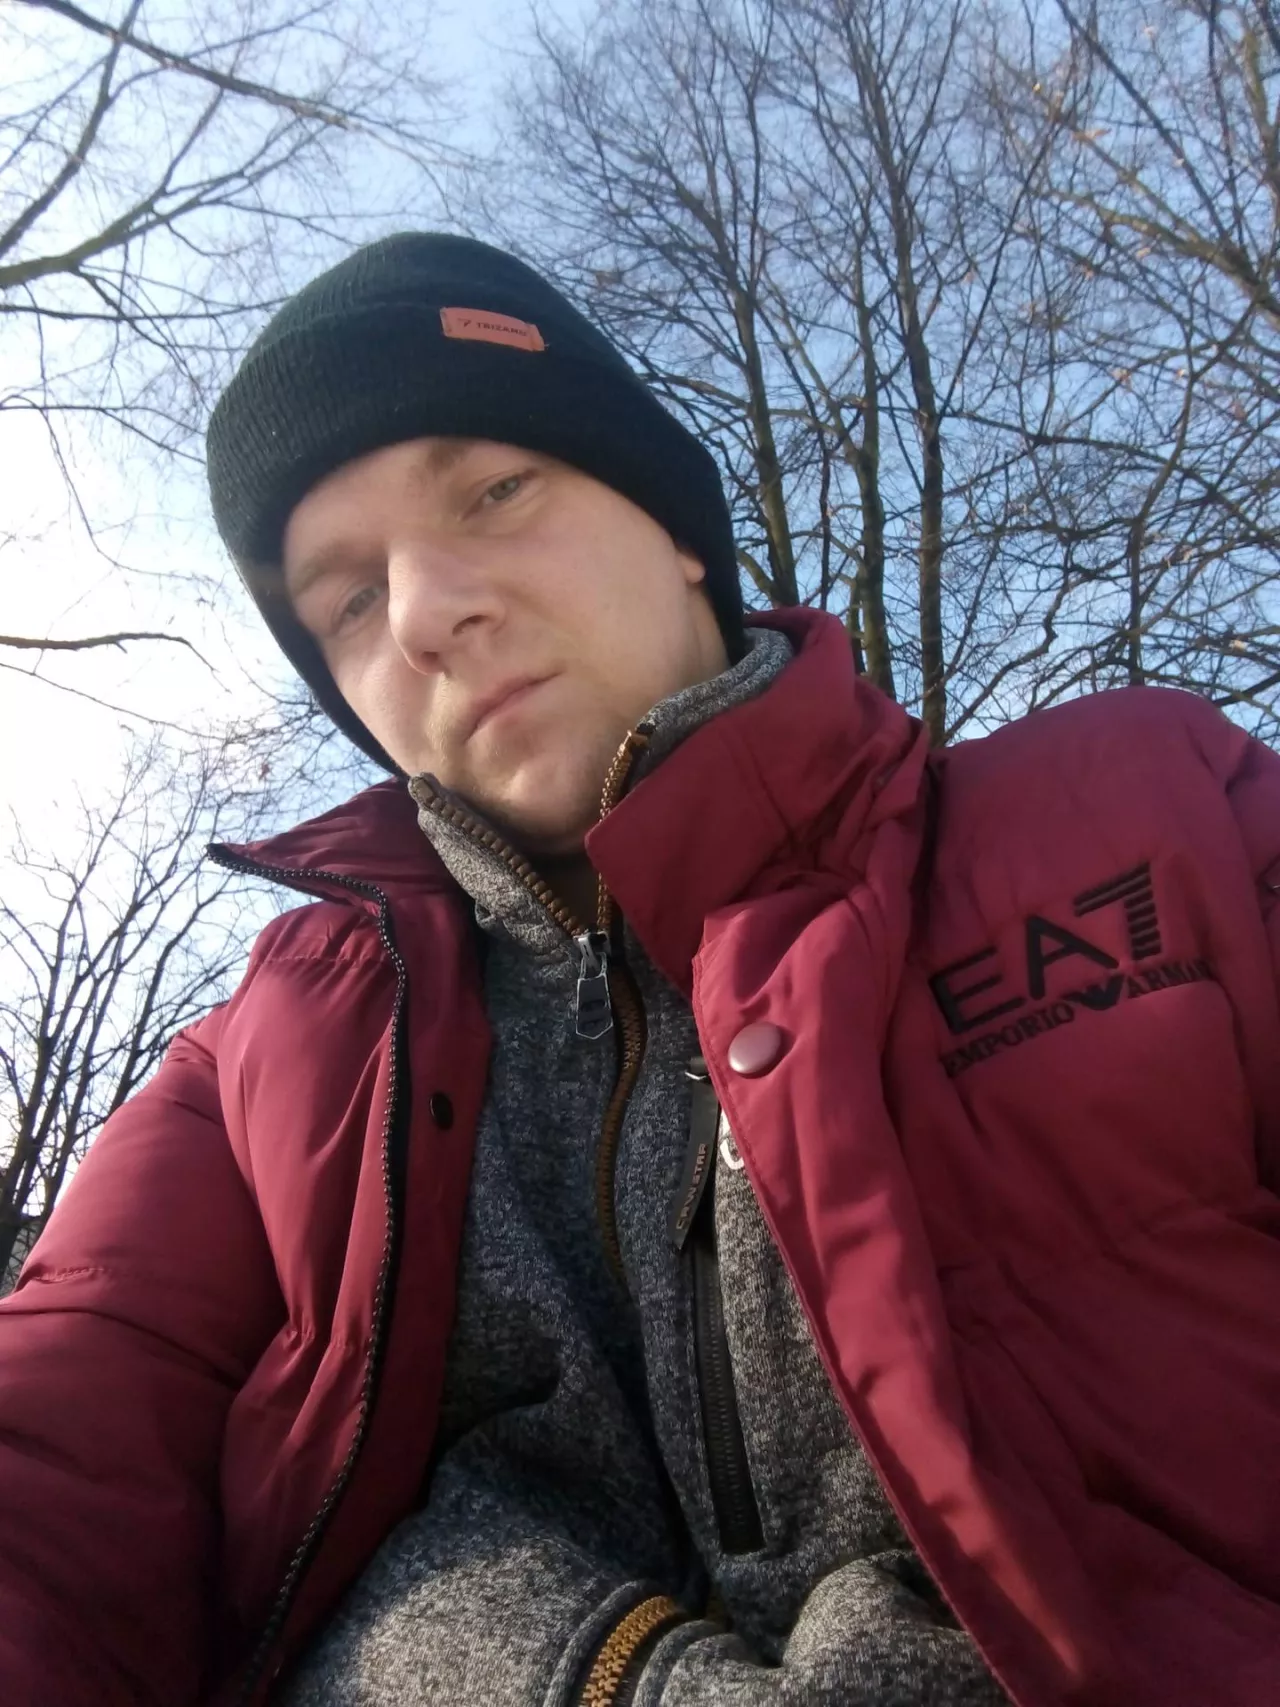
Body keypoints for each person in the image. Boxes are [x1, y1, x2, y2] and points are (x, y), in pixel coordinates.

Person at [3, 233, 1280, 1707]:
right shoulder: (261, 1067)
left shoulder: (1153, 811)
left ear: (676, 528)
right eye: (345, 602)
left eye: (495, 489)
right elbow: (54, 1463)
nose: (421, 613)